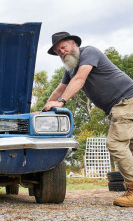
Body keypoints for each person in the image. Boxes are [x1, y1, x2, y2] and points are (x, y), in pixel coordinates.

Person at [43, 32, 133, 207]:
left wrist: (61, 102)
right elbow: (60, 89)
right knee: (130, 147)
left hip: (126, 100)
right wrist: (43, 109)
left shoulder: (89, 52)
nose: (61, 52)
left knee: (115, 144)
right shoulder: (70, 69)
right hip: (121, 105)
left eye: (63, 47)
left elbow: (79, 80)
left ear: (74, 44)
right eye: (58, 51)